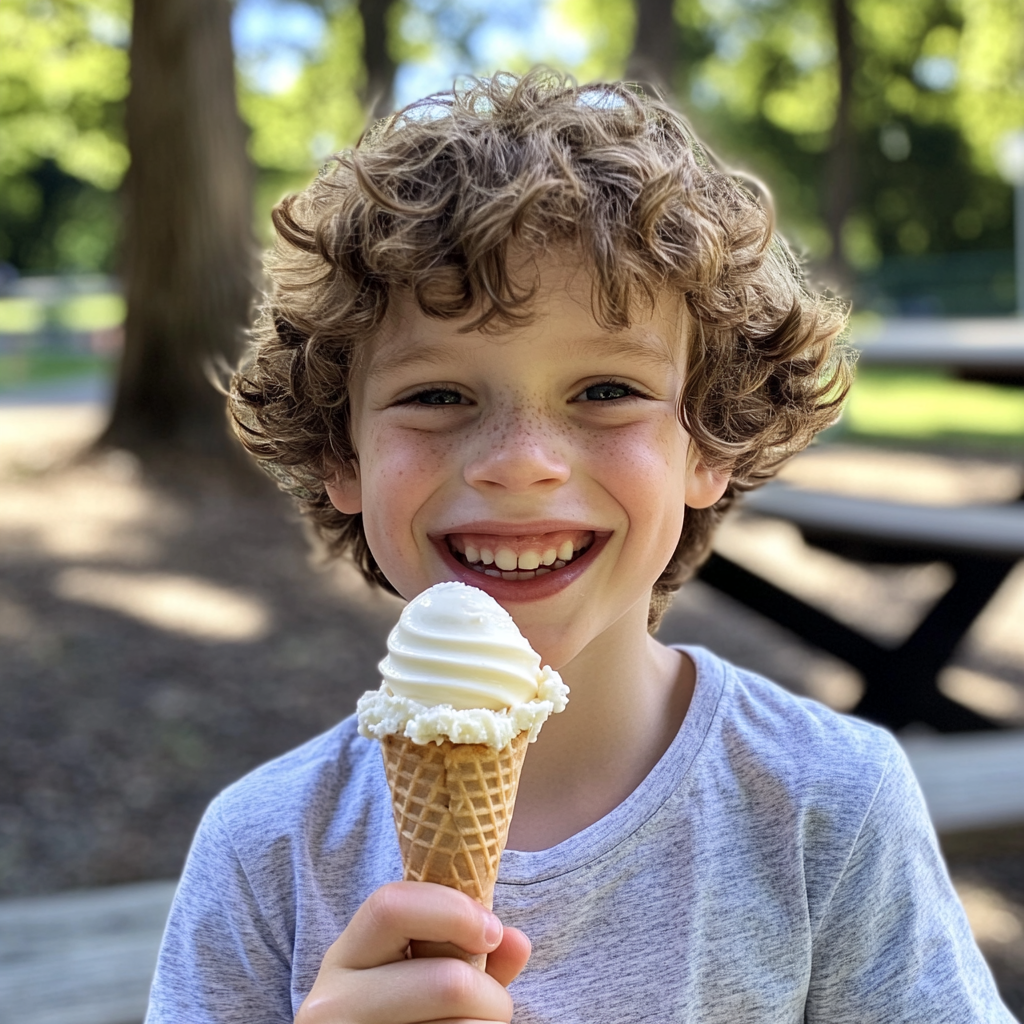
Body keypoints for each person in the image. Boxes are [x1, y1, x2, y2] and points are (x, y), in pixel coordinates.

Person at [145, 70, 1014, 1023]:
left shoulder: (824, 806)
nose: (521, 464)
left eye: (606, 391)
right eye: (436, 395)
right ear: (339, 455)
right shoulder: (268, 851)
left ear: (709, 443)